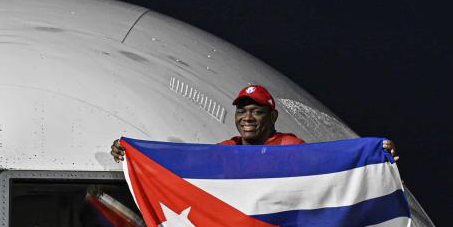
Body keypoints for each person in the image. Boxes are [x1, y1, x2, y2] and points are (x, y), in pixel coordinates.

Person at [111, 84, 399, 160]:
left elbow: (327, 159)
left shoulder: (288, 145)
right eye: (241, 111)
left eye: (256, 111)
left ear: (272, 116)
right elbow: (185, 160)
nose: (246, 117)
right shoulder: (228, 148)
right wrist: (134, 153)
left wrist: (372, 151)